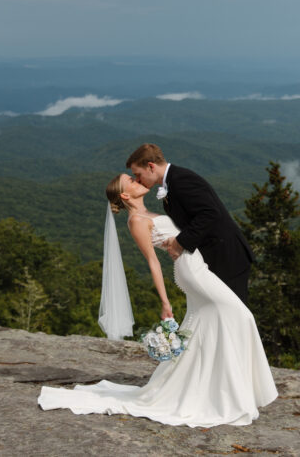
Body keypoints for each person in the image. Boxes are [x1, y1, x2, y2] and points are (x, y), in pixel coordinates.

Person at [37, 173, 277, 427]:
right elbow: (153, 262)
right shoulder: (136, 221)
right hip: (191, 272)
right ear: (125, 195)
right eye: (129, 180)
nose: (135, 179)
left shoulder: (150, 212)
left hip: (199, 266)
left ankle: (218, 387)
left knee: (210, 324)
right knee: (241, 315)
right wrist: (165, 302)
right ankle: (228, 390)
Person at [126, 143, 255, 304]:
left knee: (234, 313)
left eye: (138, 174)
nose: (138, 180)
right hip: (214, 256)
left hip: (227, 256)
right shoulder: (172, 182)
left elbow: (209, 213)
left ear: (151, 167)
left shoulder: (181, 179)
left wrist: (179, 242)